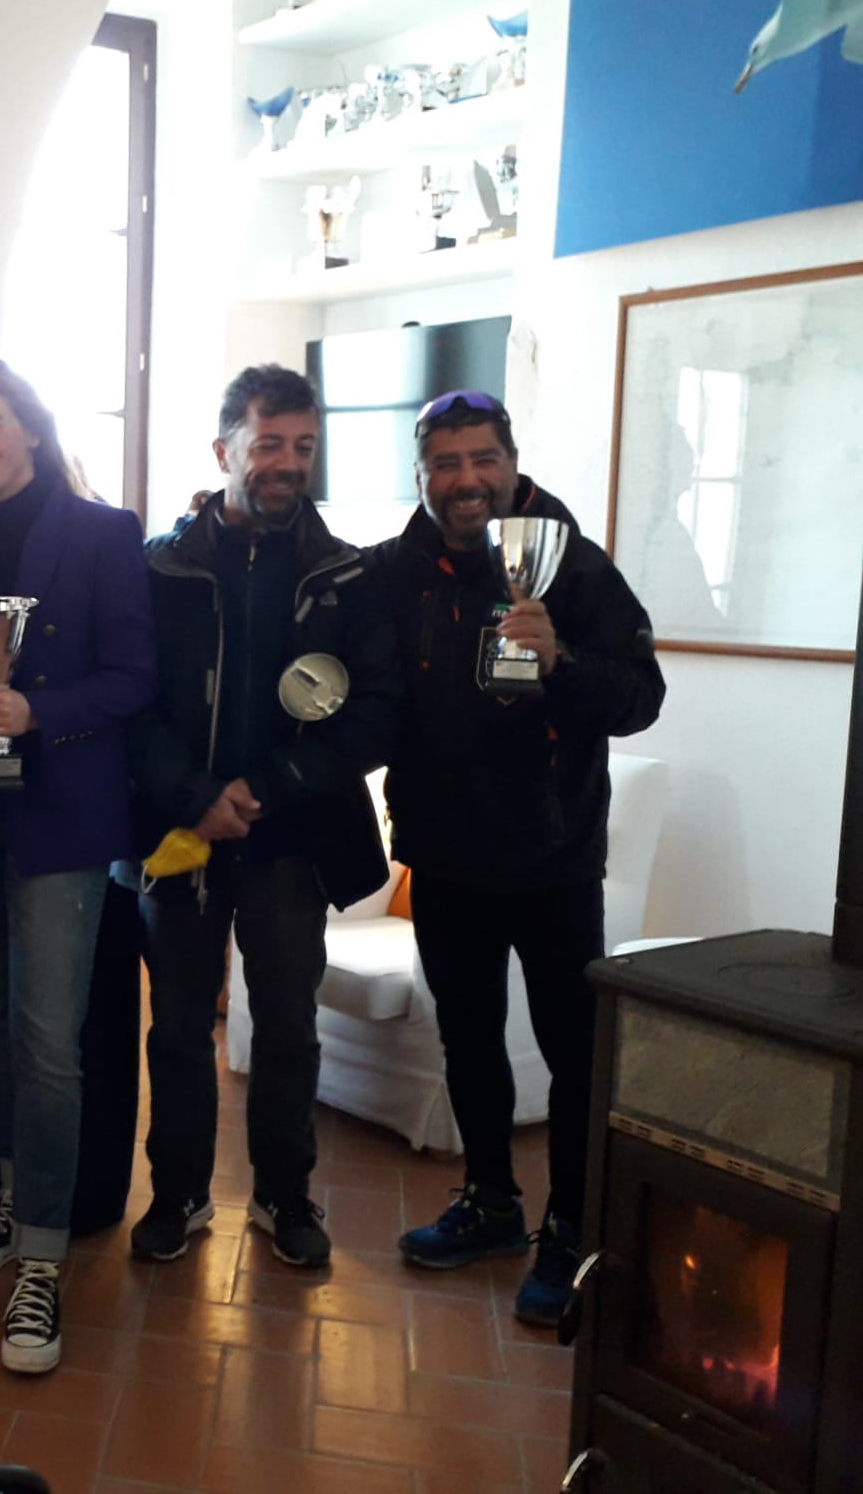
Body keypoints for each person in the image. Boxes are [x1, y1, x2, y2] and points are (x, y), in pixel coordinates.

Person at [374, 388, 664, 1327]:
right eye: (446, 463)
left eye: (482, 459)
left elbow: (642, 696)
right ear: (422, 474)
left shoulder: (575, 564)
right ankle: (491, 1200)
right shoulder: (395, 570)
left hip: (554, 858)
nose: (467, 480)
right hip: (443, 855)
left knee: (573, 1051)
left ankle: (571, 1226)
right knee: (467, 1038)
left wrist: (562, 665)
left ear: (510, 461)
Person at [127, 364, 400, 1273]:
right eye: (269, 443)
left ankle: (286, 1194)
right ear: (224, 450)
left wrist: (270, 786)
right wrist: (196, 796)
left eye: (304, 446)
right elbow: (132, 704)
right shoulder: (159, 567)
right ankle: (179, 1194)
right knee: (176, 1030)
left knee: (287, 1026)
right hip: (181, 834)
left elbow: (375, 716)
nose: (288, 462)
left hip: (292, 840)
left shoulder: (348, 574)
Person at [0, 356, 155, 1374]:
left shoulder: (103, 533)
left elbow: (134, 678)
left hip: (61, 816)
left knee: (50, 1039)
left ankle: (44, 1259)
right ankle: (13, 1198)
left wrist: (37, 710)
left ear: (32, 428)